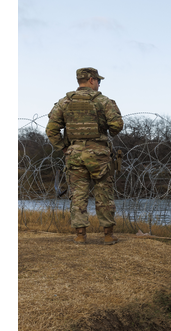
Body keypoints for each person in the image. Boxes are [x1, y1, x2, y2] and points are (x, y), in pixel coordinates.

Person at [46, 67, 124, 245]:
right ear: (91, 80)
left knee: (78, 195)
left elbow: (51, 129)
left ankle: (80, 235)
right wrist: (107, 128)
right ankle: (108, 235)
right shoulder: (104, 101)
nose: (98, 84)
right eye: (98, 81)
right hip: (99, 155)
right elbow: (116, 125)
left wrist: (64, 148)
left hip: (74, 155)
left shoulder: (64, 102)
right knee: (104, 193)